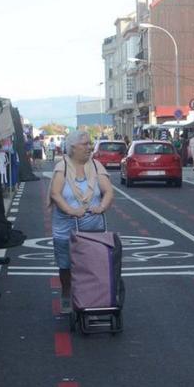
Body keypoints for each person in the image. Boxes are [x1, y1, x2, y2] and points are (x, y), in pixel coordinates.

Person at [49, 130, 115, 309]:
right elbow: (55, 193)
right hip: (65, 227)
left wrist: (101, 207)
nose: (89, 147)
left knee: (93, 263)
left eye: (89, 143)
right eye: (85, 144)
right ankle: (66, 291)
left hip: (93, 228)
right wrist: (71, 210)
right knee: (65, 266)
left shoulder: (96, 166)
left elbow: (108, 191)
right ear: (73, 148)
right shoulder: (62, 167)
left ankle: (93, 296)